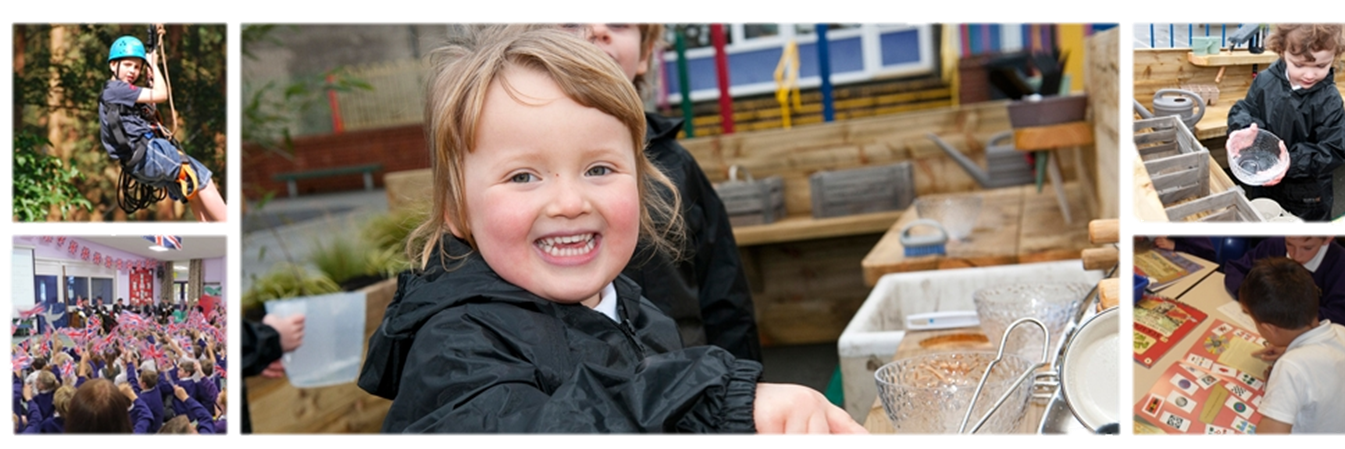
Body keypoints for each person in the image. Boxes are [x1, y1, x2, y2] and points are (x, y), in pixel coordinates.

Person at [358, 25, 864, 436]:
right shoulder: (456, 345)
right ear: (457, 212)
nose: (570, 202)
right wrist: (709, 399)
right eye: (522, 176)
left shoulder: (634, 308)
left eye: (599, 169)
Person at [555, 21, 761, 362]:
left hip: (688, 382)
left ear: (645, 55)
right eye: (571, 22)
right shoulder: (521, 175)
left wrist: (743, 391)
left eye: (618, 23)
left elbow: (725, 297)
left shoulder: (675, 166)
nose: (596, 31)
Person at [99, 24, 229, 224]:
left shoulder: (120, 95)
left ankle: (208, 226)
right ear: (112, 66)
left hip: (139, 164)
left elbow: (148, 110)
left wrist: (152, 60)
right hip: (148, 154)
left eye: (137, 66)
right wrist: (154, 65)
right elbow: (162, 95)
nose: (133, 71)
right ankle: (225, 221)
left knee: (190, 186)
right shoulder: (116, 89)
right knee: (203, 179)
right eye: (127, 65)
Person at [1226, 21, 1345, 224]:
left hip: (1307, 195)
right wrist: (1244, 127)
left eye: (1321, 65)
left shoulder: (1330, 100)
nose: (1309, 74)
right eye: (1299, 64)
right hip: (1263, 180)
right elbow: (1244, 109)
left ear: (1335, 56)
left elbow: (1334, 149)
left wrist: (1290, 162)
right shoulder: (1264, 81)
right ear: (1282, 51)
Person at [1236, 257, 1345, 436]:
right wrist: (1290, 350)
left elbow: (1272, 434)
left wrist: (1274, 396)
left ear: (1269, 329)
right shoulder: (1340, 331)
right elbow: (1327, 362)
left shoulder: (1290, 367)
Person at [1224, 234, 1344, 326]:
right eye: (1289, 244)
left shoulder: (1340, 264)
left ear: (1328, 237)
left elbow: (1339, 315)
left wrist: (1286, 314)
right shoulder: (1275, 244)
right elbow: (1236, 269)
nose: (1296, 256)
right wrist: (1250, 298)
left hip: (1306, 333)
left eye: (1307, 248)